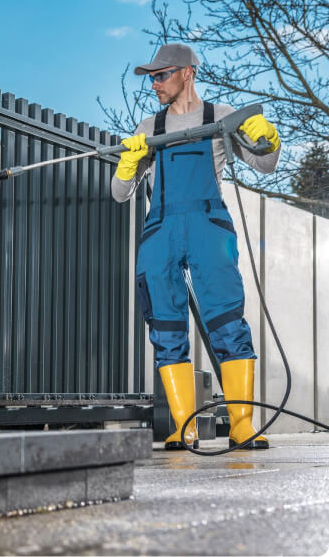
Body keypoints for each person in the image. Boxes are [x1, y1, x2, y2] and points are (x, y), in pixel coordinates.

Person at [112, 43, 281, 450]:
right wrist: (128, 164)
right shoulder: (147, 127)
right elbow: (120, 194)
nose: (153, 83)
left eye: (161, 75)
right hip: (161, 228)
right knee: (166, 328)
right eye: (151, 77)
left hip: (209, 226)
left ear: (186, 73)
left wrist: (268, 138)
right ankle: (183, 427)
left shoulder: (220, 118)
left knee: (227, 322)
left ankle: (241, 424)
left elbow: (265, 163)